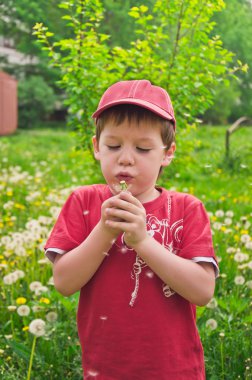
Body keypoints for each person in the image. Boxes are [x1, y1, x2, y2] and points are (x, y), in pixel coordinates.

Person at [45, 79, 218, 380]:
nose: (125, 158)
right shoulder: (83, 202)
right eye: (113, 146)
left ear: (167, 153)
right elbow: (64, 282)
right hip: (105, 369)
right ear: (96, 147)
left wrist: (143, 241)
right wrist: (104, 230)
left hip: (175, 370)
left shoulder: (187, 209)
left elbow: (203, 292)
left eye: (142, 148)